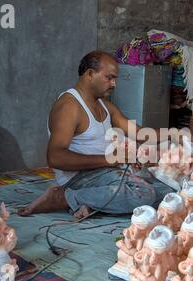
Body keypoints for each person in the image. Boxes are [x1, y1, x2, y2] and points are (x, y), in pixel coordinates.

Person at [17, 51, 175, 219]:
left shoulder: (104, 105)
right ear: (90, 74)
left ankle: (92, 202)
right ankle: (64, 197)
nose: (114, 84)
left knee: (170, 193)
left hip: (105, 172)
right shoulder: (69, 106)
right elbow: (55, 157)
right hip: (79, 177)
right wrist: (110, 159)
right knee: (144, 194)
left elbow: (139, 133)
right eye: (109, 78)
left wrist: (174, 133)